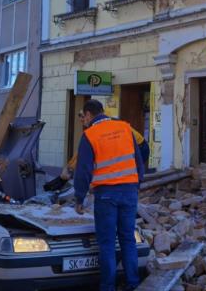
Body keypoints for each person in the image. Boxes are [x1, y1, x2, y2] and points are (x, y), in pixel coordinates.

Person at [73, 100, 144, 291]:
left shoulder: (90, 135)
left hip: (106, 195)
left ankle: (108, 286)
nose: (84, 120)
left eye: (84, 116)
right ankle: (132, 283)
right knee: (128, 239)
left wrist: (79, 198)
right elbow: (138, 160)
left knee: (107, 243)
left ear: (89, 114)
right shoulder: (125, 127)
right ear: (103, 112)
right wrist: (137, 184)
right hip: (129, 191)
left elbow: (83, 170)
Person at [43, 112, 149, 192]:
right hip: (135, 145)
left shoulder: (100, 127)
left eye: (83, 120)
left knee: (123, 174)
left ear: (88, 116)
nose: (84, 124)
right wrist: (70, 166)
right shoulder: (103, 122)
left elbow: (82, 154)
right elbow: (80, 152)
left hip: (141, 147)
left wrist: (69, 170)